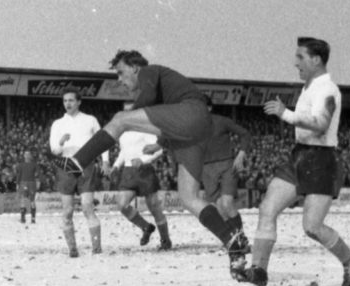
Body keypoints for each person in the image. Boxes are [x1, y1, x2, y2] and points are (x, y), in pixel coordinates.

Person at [50, 50, 248, 274]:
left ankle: (77, 162)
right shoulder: (166, 90)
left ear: (134, 68)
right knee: (189, 198)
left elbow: (150, 98)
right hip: (197, 129)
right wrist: (161, 142)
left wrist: (130, 117)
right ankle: (233, 242)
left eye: (121, 72)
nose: (119, 79)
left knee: (120, 119)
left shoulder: (149, 72)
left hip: (191, 114)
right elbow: (169, 119)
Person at [237, 37, 350, 286]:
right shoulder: (309, 86)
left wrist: (285, 113)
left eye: (300, 57)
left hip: (321, 159)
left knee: (312, 227)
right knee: (267, 209)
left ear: (316, 59)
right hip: (299, 155)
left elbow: (321, 124)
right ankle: (259, 270)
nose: (296, 63)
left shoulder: (328, 89)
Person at [49, 88, 109, 257]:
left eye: (71, 100)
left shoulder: (90, 120)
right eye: (65, 101)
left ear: (79, 102)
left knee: (87, 206)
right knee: (67, 211)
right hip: (66, 166)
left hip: (85, 165)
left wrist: (105, 161)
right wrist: (61, 143)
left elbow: (102, 141)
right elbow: (54, 150)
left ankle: (96, 248)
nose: (67, 103)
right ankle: (72, 249)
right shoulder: (58, 124)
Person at [110, 103, 171, 250]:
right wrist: (116, 165)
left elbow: (158, 150)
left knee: (154, 208)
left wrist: (143, 160)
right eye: (124, 112)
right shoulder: (123, 132)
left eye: (130, 112)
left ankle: (166, 240)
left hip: (145, 172)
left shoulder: (146, 129)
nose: (126, 115)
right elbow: (123, 152)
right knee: (121, 204)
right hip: (128, 172)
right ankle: (145, 227)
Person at [202, 95, 253, 244]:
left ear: (209, 108)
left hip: (226, 165)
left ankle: (241, 239)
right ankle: (234, 240)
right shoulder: (192, 127)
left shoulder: (221, 121)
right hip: (205, 169)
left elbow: (245, 134)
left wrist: (241, 153)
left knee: (227, 203)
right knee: (219, 207)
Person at [15, 150, 39, 224]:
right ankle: (27, 218)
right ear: (24, 156)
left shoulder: (33, 165)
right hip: (26, 183)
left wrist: (38, 182)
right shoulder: (22, 165)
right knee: (27, 200)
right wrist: (17, 183)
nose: (27, 156)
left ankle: (29, 218)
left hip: (28, 183)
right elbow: (19, 174)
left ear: (30, 156)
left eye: (28, 154)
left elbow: (37, 175)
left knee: (28, 200)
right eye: (26, 154)